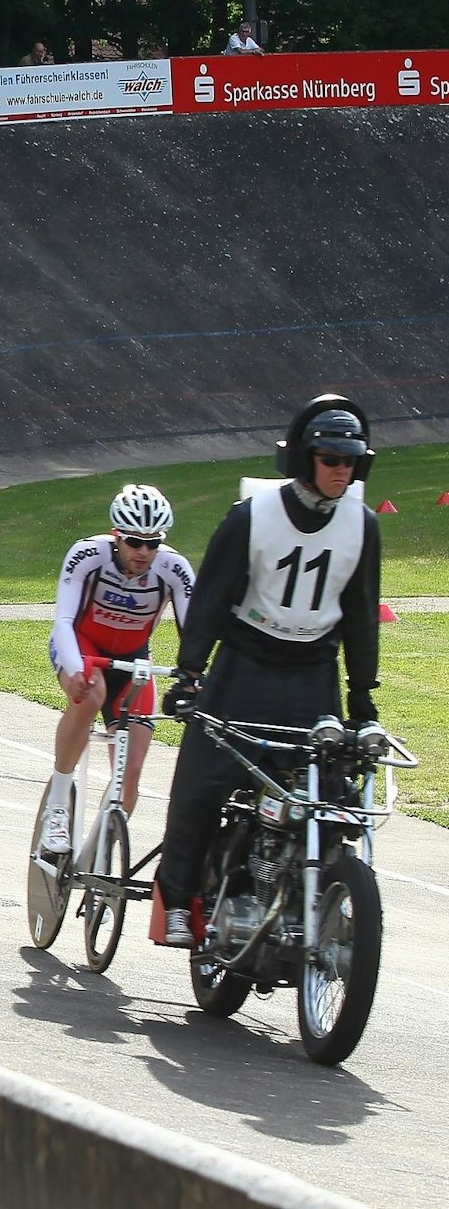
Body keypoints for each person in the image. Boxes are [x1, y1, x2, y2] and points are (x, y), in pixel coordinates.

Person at [155, 396, 381, 947]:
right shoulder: (252, 518)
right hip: (243, 669)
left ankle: (314, 893)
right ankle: (181, 898)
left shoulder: (362, 526)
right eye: (330, 458)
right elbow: (209, 601)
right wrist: (189, 674)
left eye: (351, 461)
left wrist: (362, 695)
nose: (341, 470)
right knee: (202, 786)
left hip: (313, 675)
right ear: (304, 459)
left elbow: (360, 613)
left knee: (331, 795)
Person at [38, 484, 194, 854]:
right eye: (133, 541)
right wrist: (75, 670)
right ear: (116, 536)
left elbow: (195, 635)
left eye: (152, 543)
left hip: (133, 659)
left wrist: (193, 679)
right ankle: (58, 804)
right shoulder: (87, 555)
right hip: (83, 647)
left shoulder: (174, 569)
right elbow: (63, 620)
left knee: (131, 774)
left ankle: (100, 858)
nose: (143, 552)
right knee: (92, 692)